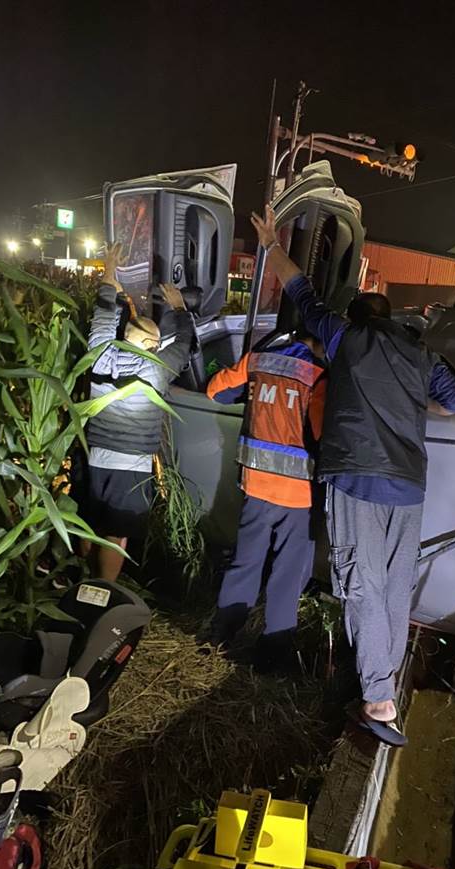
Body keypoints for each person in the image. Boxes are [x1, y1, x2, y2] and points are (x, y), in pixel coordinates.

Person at [251, 205, 455, 743]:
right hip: (408, 484)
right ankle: (383, 684)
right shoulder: (419, 352)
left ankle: (376, 699)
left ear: (354, 316)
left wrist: (269, 244)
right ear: (391, 317)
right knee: (395, 588)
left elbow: (301, 292)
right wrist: (420, 407)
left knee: (362, 585)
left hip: (357, 480)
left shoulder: (345, 337)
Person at [203, 329, 327, 673]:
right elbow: (321, 432)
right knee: (287, 572)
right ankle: (273, 654)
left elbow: (216, 391)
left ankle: (221, 635)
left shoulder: (258, 360)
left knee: (246, 561)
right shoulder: (317, 376)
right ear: (317, 344)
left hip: (256, 485)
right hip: (297, 493)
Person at [80, 242, 195, 581]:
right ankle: (102, 591)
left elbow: (102, 318)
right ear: (152, 346)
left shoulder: (101, 355)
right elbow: (185, 344)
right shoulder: (157, 368)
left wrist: (110, 275)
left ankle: (82, 580)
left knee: (89, 526)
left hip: (96, 458)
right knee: (116, 535)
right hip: (132, 466)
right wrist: (179, 308)